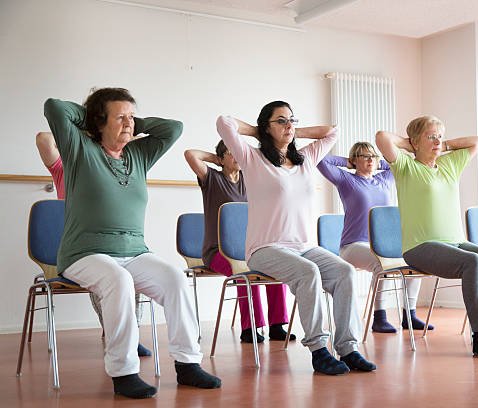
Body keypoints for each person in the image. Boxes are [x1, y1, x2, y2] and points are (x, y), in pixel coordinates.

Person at [44, 88, 221, 399]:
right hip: (83, 253)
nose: (129, 123)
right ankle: (124, 371)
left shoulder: (139, 155)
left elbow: (173, 128)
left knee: (175, 279)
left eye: (132, 116)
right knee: (119, 280)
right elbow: (55, 107)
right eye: (120, 117)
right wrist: (92, 118)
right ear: (99, 121)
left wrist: (131, 122)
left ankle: (188, 364)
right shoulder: (79, 149)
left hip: (134, 251)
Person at [216, 101, 376, 375]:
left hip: (303, 246)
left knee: (344, 271)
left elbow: (332, 132)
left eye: (292, 120)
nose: (289, 125)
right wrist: (259, 131)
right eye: (281, 120)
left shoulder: (305, 159)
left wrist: (290, 130)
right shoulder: (252, 158)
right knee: (308, 272)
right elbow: (224, 122)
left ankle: (348, 348)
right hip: (264, 249)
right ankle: (319, 350)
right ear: (267, 126)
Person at [376, 115, 478, 359]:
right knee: (473, 262)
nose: (437, 141)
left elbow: (477, 141)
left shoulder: (450, 164)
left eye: (439, 135)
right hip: (420, 246)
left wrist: (442, 144)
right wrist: (411, 145)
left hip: (456, 241)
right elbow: (382, 138)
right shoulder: (406, 166)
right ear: (415, 142)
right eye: (431, 136)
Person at [36, 131, 151, 357]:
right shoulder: (64, 166)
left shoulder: (111, 165)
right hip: (78, 246)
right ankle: (117, 333)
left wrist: (117, 135)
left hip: (113, 242)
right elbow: (44, 139)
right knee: (105, 273)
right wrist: (85, 132)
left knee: (132, 271)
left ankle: (130, 333)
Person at [184, 141, 295, 343]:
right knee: (244, 273)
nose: (236, 156)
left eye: (238, 153)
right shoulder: (212, 179)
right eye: (231, 153)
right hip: (218, 252)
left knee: (274, 267)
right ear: (222, 158)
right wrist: (215, 159)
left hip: (249, 249)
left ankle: (277, 325)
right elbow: (191, 153)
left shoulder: (249, 179)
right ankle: (250, 327)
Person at [317, 142, 432, 333]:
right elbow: (320, 160)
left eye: (373, 156)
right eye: (364, 156)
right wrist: (348, 162)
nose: (370, 159)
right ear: (355, 160)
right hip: (353, 246)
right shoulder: (346, 180)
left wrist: (379, 162)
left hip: (384, 245)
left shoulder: (385, 179)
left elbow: (402, 161)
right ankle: (380, 318)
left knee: (415, 260)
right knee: (381, 264)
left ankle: (409, 316)